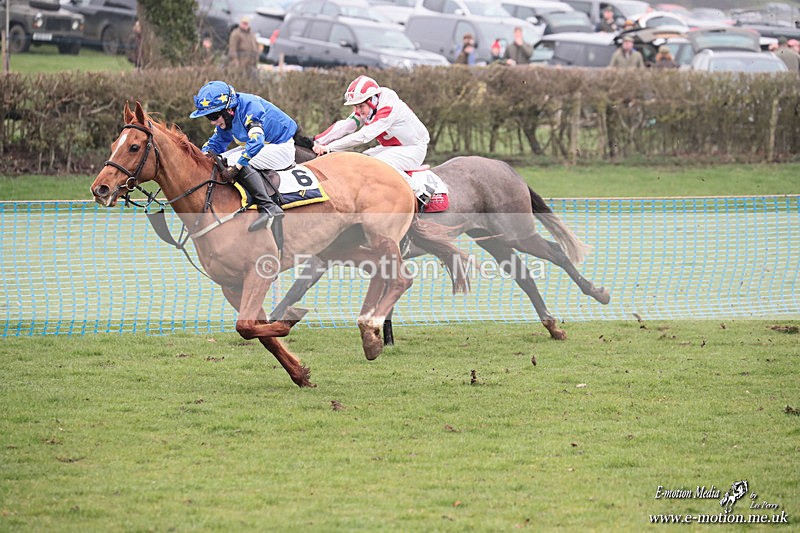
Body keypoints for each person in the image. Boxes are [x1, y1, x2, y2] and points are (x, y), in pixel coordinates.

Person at [190, 81, 297, 231]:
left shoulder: (250, 106)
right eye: (208, 117)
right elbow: (215, 145)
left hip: (281, 149)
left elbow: (257, 142)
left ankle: (269, 206)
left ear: (229, 110)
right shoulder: (227, 118)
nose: (212, 122)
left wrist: (237, 167)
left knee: (234, 160)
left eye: (214, 116)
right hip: (260, 148)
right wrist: (198, 159)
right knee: (219, 159)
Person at [312, 75, 431, 200]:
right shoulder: (371, 105)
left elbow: (363, 136)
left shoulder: (388, 108)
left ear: (371, 101)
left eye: (360, 106)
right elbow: (347, 125)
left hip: (414, 148)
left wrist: (329, 148)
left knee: (379, 165)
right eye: (356, 106)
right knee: (362, 160)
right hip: (394, 148)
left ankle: (420, 193)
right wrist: (317, 140)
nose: (358, 110)